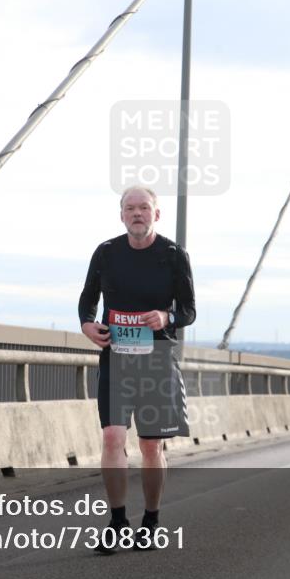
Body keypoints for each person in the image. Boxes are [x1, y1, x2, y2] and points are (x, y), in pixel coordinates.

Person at [78, 186, 196, 553]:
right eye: (130, 208)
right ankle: (116, 522)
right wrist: (86, 323)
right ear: (122, 215)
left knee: (150, 446)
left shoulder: (174, 255)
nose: (137, 214)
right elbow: (88, 300)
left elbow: (189, 311)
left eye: (144, 208)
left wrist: (166, 316)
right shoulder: (107, 253)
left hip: (157, 361)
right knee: (113, 438)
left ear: (156, 215)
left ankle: (151, 520)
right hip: (117, 359)